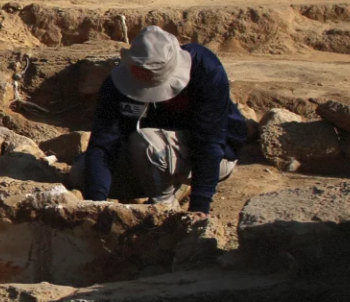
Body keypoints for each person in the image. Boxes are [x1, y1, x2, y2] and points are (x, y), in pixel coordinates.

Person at [69, 25, 247, 214]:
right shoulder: (116, 83)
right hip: (152, 156)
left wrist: (198, 211)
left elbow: (210, 145)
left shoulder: (205, 70)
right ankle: (168, 183)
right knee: (81, 173)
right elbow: (103, 145)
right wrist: (96, 207)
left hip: (212, 157)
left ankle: (164, 209)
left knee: (146, 142)